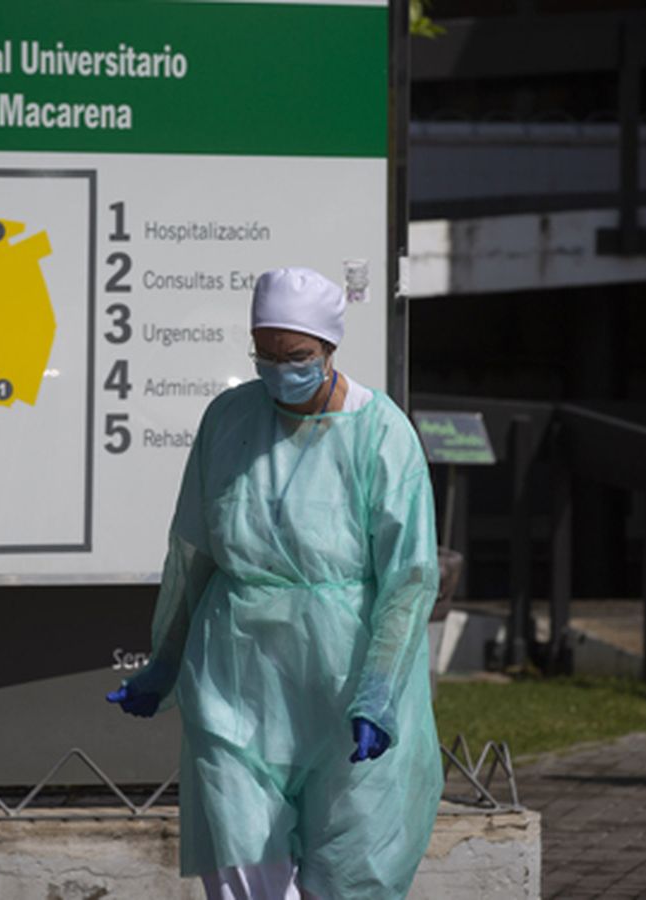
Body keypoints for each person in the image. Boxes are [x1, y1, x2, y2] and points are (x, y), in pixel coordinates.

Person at [107, 266, 443, 899]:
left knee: (351, 871)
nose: (280, 369)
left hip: (341, 680)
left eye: (297, 356)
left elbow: (410, 576)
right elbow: (195, 554)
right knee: (242, 867)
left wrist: (378, 690)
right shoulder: (229, 420)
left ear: (329, 350)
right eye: (266, 354)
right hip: (237, 677)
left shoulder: (381, 435)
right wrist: (167, 663)